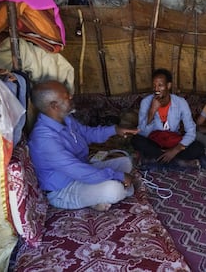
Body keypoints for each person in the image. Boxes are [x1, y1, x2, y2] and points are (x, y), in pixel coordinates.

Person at [28, 80, 139, 212]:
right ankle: (100, 195)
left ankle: (96, 196)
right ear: (54, 106)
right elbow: (79, 171)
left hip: (82, 171)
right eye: (66, 96)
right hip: (64, 189)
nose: (71, 97)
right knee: (115, 190)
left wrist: (115, 130)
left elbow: (88, 133)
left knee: (125, 162)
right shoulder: (44, 139)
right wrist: (119, 176)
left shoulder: (66, 119)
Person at [131, 68, 204, 168]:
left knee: (198, 147)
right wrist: (152, 111)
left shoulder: (180, 102)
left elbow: (191, 131)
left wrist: (175, 150)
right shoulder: (146, 102)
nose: (156, 89)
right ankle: (179, 162)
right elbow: (141, 132)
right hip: (155, 142)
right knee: (136, 140)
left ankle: (154, 160)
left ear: (168, 86)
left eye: (160, 85)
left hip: (173, 142)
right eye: (154, 86)